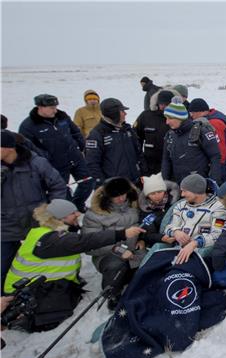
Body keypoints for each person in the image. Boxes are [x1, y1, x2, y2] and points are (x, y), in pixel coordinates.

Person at [3, 199, 144, 331]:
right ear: (60, 218)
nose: (77, 214)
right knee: (57, 311)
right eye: (72, 213)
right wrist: (122, 234)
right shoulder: (52, 240)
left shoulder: (44, 231)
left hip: (32, 286)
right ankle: (24, 319)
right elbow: (86, 241)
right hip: (23, 294)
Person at [1, 130, 67, 288]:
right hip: (5, 224)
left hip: (37, 221)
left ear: (9, 148)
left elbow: (57, 185)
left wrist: (53, 212)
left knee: (49, 256)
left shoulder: (36, 163)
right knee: (3, 265)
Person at [18, 94, 92, 212]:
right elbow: (28, 148)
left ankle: (78, 204)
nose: (55, 110)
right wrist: (45, 158)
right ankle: (69, 213)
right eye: (51, 108)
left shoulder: (62, 116)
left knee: (88, 182)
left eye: (56, 106)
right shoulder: (28, 126)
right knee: (62, 191)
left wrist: (80, 145)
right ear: (40, 107)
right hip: (55, 164)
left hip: (75, 157)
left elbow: (75, 131)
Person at [82, 177, 144, 308]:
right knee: (115, 267)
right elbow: (90, 244)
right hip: (108, 255)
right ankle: (113, 294)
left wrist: (142, 239)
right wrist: (119, 250)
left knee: (151, 263)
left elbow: (146, 224)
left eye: (123, 194)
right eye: (116, 196)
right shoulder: (95, 214)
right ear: (107, 196)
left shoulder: (136, 203)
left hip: (135, 251)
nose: (121, 199)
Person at [162, 174, 226, 265]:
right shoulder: (180, 206)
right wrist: (175, 232)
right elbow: (168, 226)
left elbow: (218, 234)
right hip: (176, 250)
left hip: (199, 254)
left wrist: (195, 243)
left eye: (185, 191)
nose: (182, 194)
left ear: (196, 191)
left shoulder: (218, 208)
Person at [161, 98, 223, 185]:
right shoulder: (170, 135)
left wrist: (214, 182)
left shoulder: (200, 131)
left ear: (180, 118)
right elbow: (166, 161)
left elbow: (215, 157)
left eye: (169, 118)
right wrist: (165, 183)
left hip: (200, 186)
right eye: (166, 118)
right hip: (179, 187)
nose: (167, 122)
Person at [85, 98, 143, 187]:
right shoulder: (98, 134)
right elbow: (92, 163)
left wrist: (143, 172)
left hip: (135, 182)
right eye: (122, 111)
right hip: (115, 187)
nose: (125, 113)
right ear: (114, 114)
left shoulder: (127, 130)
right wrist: (102, 185)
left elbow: (138, 153)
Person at [134, 90, 173, 176]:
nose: (164, 107)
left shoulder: (178, 117)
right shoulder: (146, 116)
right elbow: (136, 139)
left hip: (172, 165)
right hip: (151, 166)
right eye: (162, 104)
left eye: (167, 104)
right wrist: (141, 161)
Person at [137, 173, 180, 248]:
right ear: (147, 195)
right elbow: (147, 234)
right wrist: (161, 238)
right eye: (152, 193)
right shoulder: (146, 211)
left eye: (160, 192)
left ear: (165, 191)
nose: (157, 196)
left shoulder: (176, 203)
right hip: (163, 242)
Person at [188, 98, 226, 176]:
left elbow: (220, 147)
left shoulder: (213, 123)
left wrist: (216, 169)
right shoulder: (206, 121)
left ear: (202, 111)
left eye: (193, 112)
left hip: (218, 167)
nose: (191, 115)